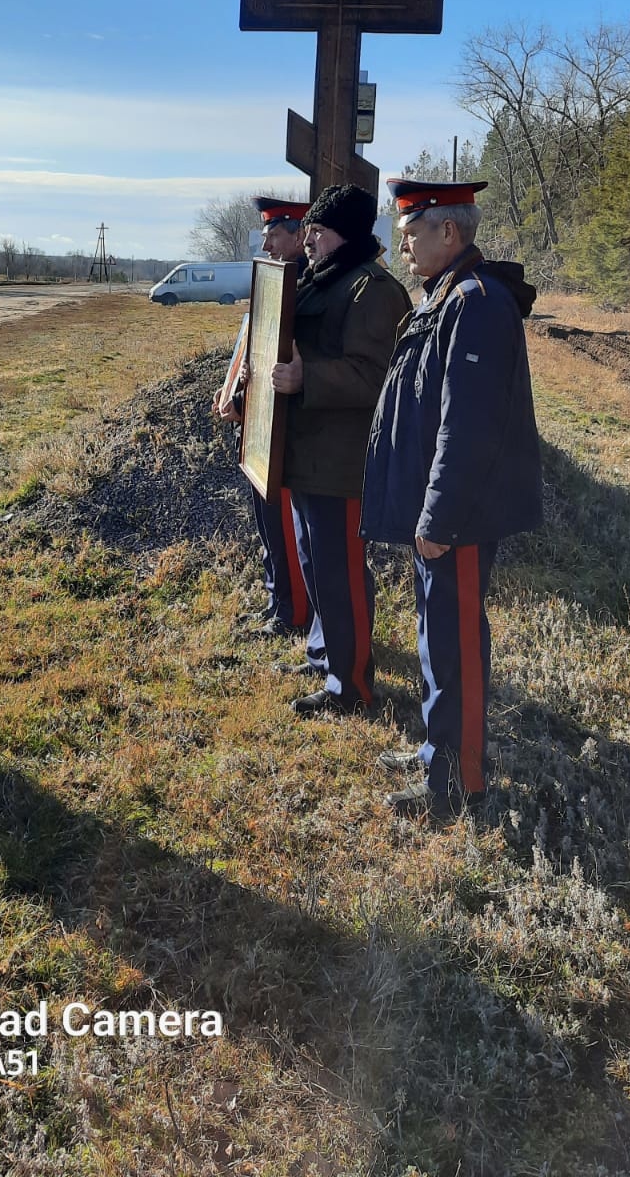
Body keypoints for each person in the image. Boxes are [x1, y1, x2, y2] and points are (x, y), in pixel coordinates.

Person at [361, 178, 543, 816]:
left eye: (411, 233)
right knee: (436, 637)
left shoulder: (477, 302)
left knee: (456, 643)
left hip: (458, 516)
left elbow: (467, 428)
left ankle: (457, 784)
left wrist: (439, 515)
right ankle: (437, 751)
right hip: (436, 512)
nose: (402, 246)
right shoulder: (442, 298)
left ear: (450, 231)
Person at [268, 184, 411, 716]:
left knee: (342, 572)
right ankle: (324, 654)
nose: (307, 241)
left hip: (342, 461)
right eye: (306, 231)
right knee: (315, 563)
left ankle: (350, 689)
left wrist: (309, 379)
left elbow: (376, 377)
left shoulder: (372, 291)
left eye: (318, 232)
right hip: (306, 454)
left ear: (345, 235)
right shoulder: (322, 280)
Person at [215, 198, 314, 650]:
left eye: (276, 233)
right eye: (266, 233)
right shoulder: (272, 283)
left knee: (283, 525)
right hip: (259, 425)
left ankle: (294, 610)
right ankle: (278, 599)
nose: (268, 241)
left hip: (287, 434)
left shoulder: (304, 289)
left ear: (298, 235)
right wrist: (237, 396)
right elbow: (254, 351)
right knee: (266, 522)